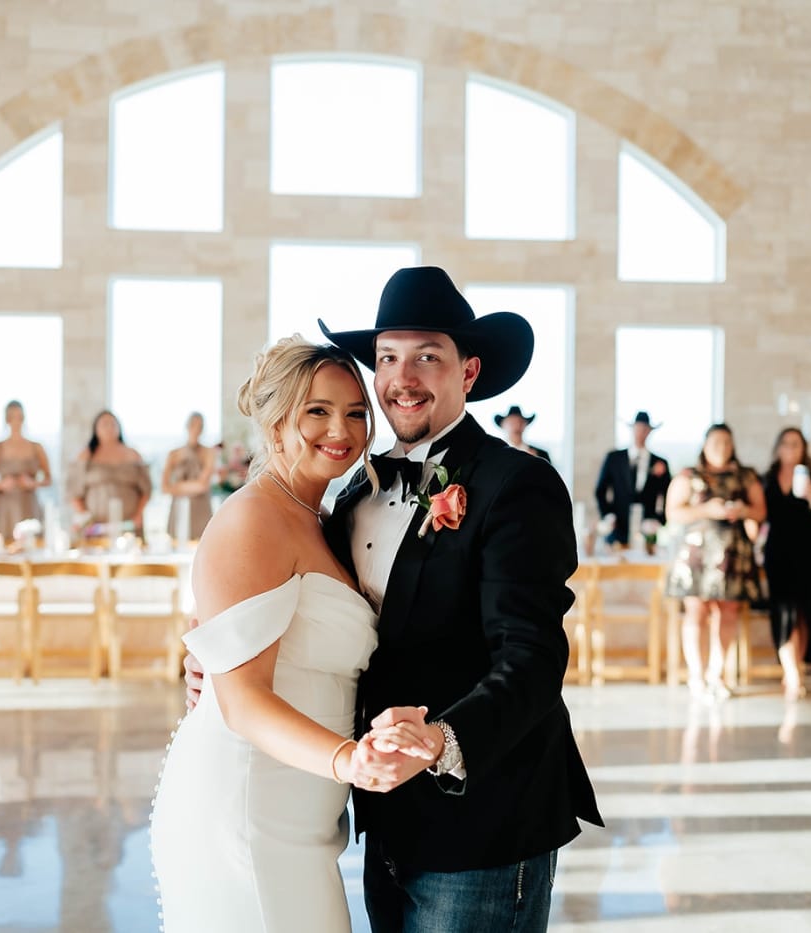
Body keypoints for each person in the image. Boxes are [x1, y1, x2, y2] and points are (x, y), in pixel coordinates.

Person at [184, 267, 602, 931]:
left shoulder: (516, 484)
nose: (402, 378)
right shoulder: (350, 499)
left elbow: (533, 657)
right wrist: (218, 652)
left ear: (468, 373)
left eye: (427, 357)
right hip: (380, 824)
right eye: (387, 357)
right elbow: (288, 609)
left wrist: (443, 739)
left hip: (485, 822)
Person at [151, 337, 433, 933]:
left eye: (357, 412)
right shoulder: (253, 517)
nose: (342, 429)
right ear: (276, 421)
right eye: (318, 411)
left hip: (302, 818)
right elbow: (244, 701)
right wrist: (348, 761)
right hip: (246, 808)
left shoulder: (328, 520)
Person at [665, 424, 766, 699]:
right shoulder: (689, 475)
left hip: (732, 553)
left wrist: (743, 510)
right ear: (705, 445)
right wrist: (705, 509)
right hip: (697, 553)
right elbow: (673, 512)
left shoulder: (746, 477)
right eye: (716, 442)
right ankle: (696, 675)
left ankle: (717, 674)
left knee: (728, 612)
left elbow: (760, 511)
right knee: (696, 612)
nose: (721, 447)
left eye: (726, 442)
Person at [761, 427, 811, 699]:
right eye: (786, 443)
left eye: (796, 444)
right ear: (778, 447)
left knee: (806, 612)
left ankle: (795, 670)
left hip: (810, 554)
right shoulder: (767, 480)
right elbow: (758, 517)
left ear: (804, 448)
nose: (791, 448)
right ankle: (792, 671)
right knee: (784, 614)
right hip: (778, 554)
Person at [595, 411, 671, 546]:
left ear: (649, 432)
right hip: (618, 528)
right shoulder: (614, 458)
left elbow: (667, 495)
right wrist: (608, 515)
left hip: (647, 530)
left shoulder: (660, 462)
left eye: (644, 429)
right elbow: (600, 490)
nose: (640, 433)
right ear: (632, 429)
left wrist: (658, 520)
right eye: (638, 429)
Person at [65, 410, 151, 530]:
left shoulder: (133, 454)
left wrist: (138, 514)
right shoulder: (85, 456)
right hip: (95, 527)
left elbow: (146, 490)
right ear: (96, 429)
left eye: (113, 424)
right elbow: (73, 492)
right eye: (104, 424)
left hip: (128, 525)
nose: (109, 428)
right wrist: (85, 517)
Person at [0, 400, 51, 538]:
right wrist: (1, 485)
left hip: (28, 504)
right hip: (3, 507)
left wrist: (33, 483)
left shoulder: (36, 447)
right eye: (12, 417)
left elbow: (48, 479)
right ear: (6, 420)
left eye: (19, 417)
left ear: (24, 418)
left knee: (30, 545)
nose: (16, 421)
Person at [162, 412, 217, 542]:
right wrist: (193, 486)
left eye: (199, 426)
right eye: (193, 425)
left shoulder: (209, 453)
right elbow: (164, 487)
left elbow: (202, 485)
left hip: (201, 508)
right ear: (187, 427)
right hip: (179, 507)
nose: (196, 429)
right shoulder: (174, 454)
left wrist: (177, 486)